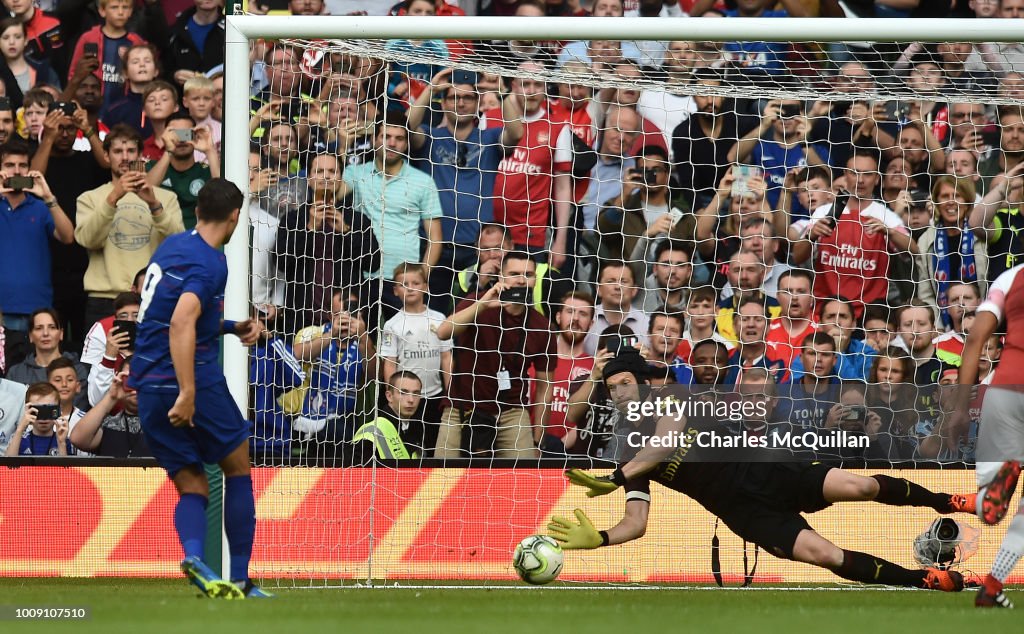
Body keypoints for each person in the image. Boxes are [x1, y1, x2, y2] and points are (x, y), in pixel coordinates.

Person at [548, 355, 976, 593]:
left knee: (858, 484)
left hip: (767, 466)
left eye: (626, 382)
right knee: (824, 555)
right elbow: (636, 523)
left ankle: (951, 501)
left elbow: (664, 441)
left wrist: (617, 477)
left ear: (645, 384)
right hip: (741, 511)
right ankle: (924, 579)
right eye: (613, 386)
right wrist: (602, 538)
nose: (620, 392)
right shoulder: (627, 452)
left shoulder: (672, 399)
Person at [129, 178, 270, 599]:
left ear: (196, 212)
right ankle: (242, 580)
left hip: (147, 382)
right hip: (189, 378)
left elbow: (166, 313)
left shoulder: (173, 245)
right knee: (237, 467)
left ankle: (194, 556)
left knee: (192, 483)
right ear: (234, 217)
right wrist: (188, 392)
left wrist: (228, 327)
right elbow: (180, 322)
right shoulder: (212, 262)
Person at [951, 260, 1024, 607]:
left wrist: (962, 408)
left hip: (1004, 391)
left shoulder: (1012, 276)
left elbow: (976, 338)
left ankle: (992, 587)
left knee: (986, 508)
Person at [434, 251, 555, 459]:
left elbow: (545, 388)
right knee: (441, 478)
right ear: (501, 277)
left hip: (511, 411)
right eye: (514, 273)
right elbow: (443, 332)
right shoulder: (478, 302)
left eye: (528, 274)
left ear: (535, 279)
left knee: (525, 479)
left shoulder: (542, 326)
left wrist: (537, 440)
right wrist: (482, 305)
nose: (521, 280)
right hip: (462, 407)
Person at [0, 139, 74, 339]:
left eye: (22, 165)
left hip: (37, 308)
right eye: (9, 165)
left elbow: (68, 236)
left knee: (35, 368)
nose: (17, 171)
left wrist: (48, 196)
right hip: (2, 309)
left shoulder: (41, 207)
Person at [379, 262, 452, 448]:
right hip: (406, 398)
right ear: (395, 290)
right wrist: (395, 395)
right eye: (404, 284)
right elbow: (389, 363)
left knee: (432, 443)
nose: (410, 288)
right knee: (407, 444)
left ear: (426, 287)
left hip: (434, 396)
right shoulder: (392, 325)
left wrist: (450, 393)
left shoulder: (439, 318)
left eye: (416, 283)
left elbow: (446, 357)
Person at [144, 112, 219, 229]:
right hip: (162, 239)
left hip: (197, 239)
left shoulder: (206, 171)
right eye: (175, 134)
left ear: (195, 135)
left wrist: (210, 150)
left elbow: (224, 199)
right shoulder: (152, 167)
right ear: (164, 136)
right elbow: (145, 191)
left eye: (186, 134)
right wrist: (168, 150)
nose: (181, 140)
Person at [70, 362, 150, 457]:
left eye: (141, 379)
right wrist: (111, 396)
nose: (135, 387)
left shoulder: (163, 425)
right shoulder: (108, 424)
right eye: (128, 380)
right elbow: (78, 439)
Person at [351, 370, 426, 461]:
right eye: (403, 392)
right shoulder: (372, 431)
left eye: (415, 393)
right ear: (389, 396)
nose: (411, 399)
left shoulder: (416, 429)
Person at [6, 308, 88, 389]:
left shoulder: (77, 370)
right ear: (30, 336)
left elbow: (78, 401)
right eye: (39, 328)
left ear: (61, 334)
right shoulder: (16, 372)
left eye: (52, 327)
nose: (45, 333)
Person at [5, 381, 71, 456]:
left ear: (58, 411)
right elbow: (8, 466)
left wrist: (61, 443)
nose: (43, 418)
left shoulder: (64, 441)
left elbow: (65, 467)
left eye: (48, 410)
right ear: (28, 410)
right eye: (38, 411)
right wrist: (20, 429)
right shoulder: (19, 439)